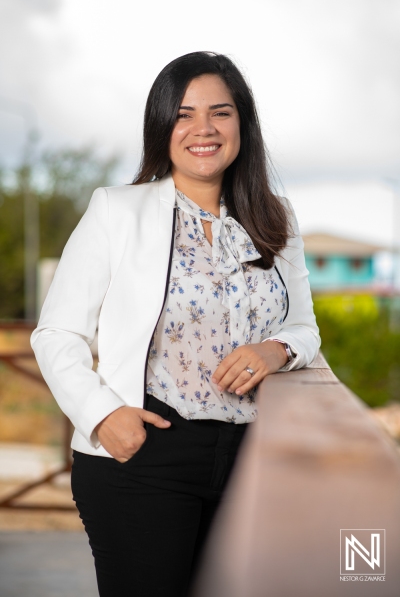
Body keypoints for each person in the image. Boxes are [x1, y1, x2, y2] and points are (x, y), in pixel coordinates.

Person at [31, 51, 320, 596]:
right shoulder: (117, 211)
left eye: (221, 112)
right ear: (162, 125)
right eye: (184, 114)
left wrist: (276, 349)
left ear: (243, 124)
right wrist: (103, 416)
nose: (203, 129)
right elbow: (56, 333)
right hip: (145, 456)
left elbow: (305, 327)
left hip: (253, 463)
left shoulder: (275, 218)